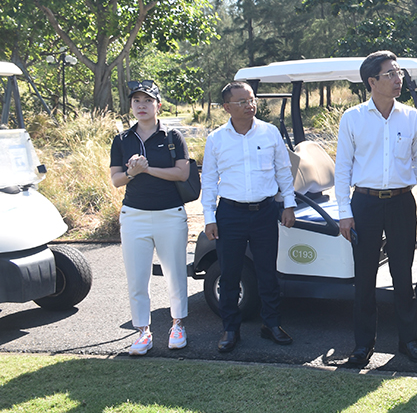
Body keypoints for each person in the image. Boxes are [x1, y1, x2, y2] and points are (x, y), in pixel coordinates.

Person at [334, 51, 417, 367]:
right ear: (371, 81)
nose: (397, 78)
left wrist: (401, 183)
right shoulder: (353, 118)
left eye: (398, 72)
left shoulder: (412, 117)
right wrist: (344, 213)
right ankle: (363, 346)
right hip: (364, 204)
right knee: (364, 278)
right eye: (390, 73)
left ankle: (409, 341)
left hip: (402, 203)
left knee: (403, 275)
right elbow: (343, 168)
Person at [201, 81, 298, 353]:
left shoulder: (269, 133)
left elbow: (283, 171)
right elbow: (208, 180)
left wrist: (288, 205)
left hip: (265, 211)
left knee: (268, 273)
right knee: (230, 274)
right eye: (242, 101)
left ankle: (272, 324)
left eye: (251, 99)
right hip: (230, 213)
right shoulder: (216, 139)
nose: (249, 105)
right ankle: (230, 329)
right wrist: (209, 217)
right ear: (227, 107)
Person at [109, 80, 190, 356]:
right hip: (134, 216)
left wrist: (146, 169)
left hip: (170, 214)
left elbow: (182, 174)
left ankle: (178, 325)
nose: (141, 106)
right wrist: (132, 172)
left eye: (147, 101)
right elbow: (117, 180)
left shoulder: (172, 137)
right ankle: (143, 331)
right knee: (137, 277)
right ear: (131, 106)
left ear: (158, 105)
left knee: (175, 274)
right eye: (136, 101)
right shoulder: (122, 139)